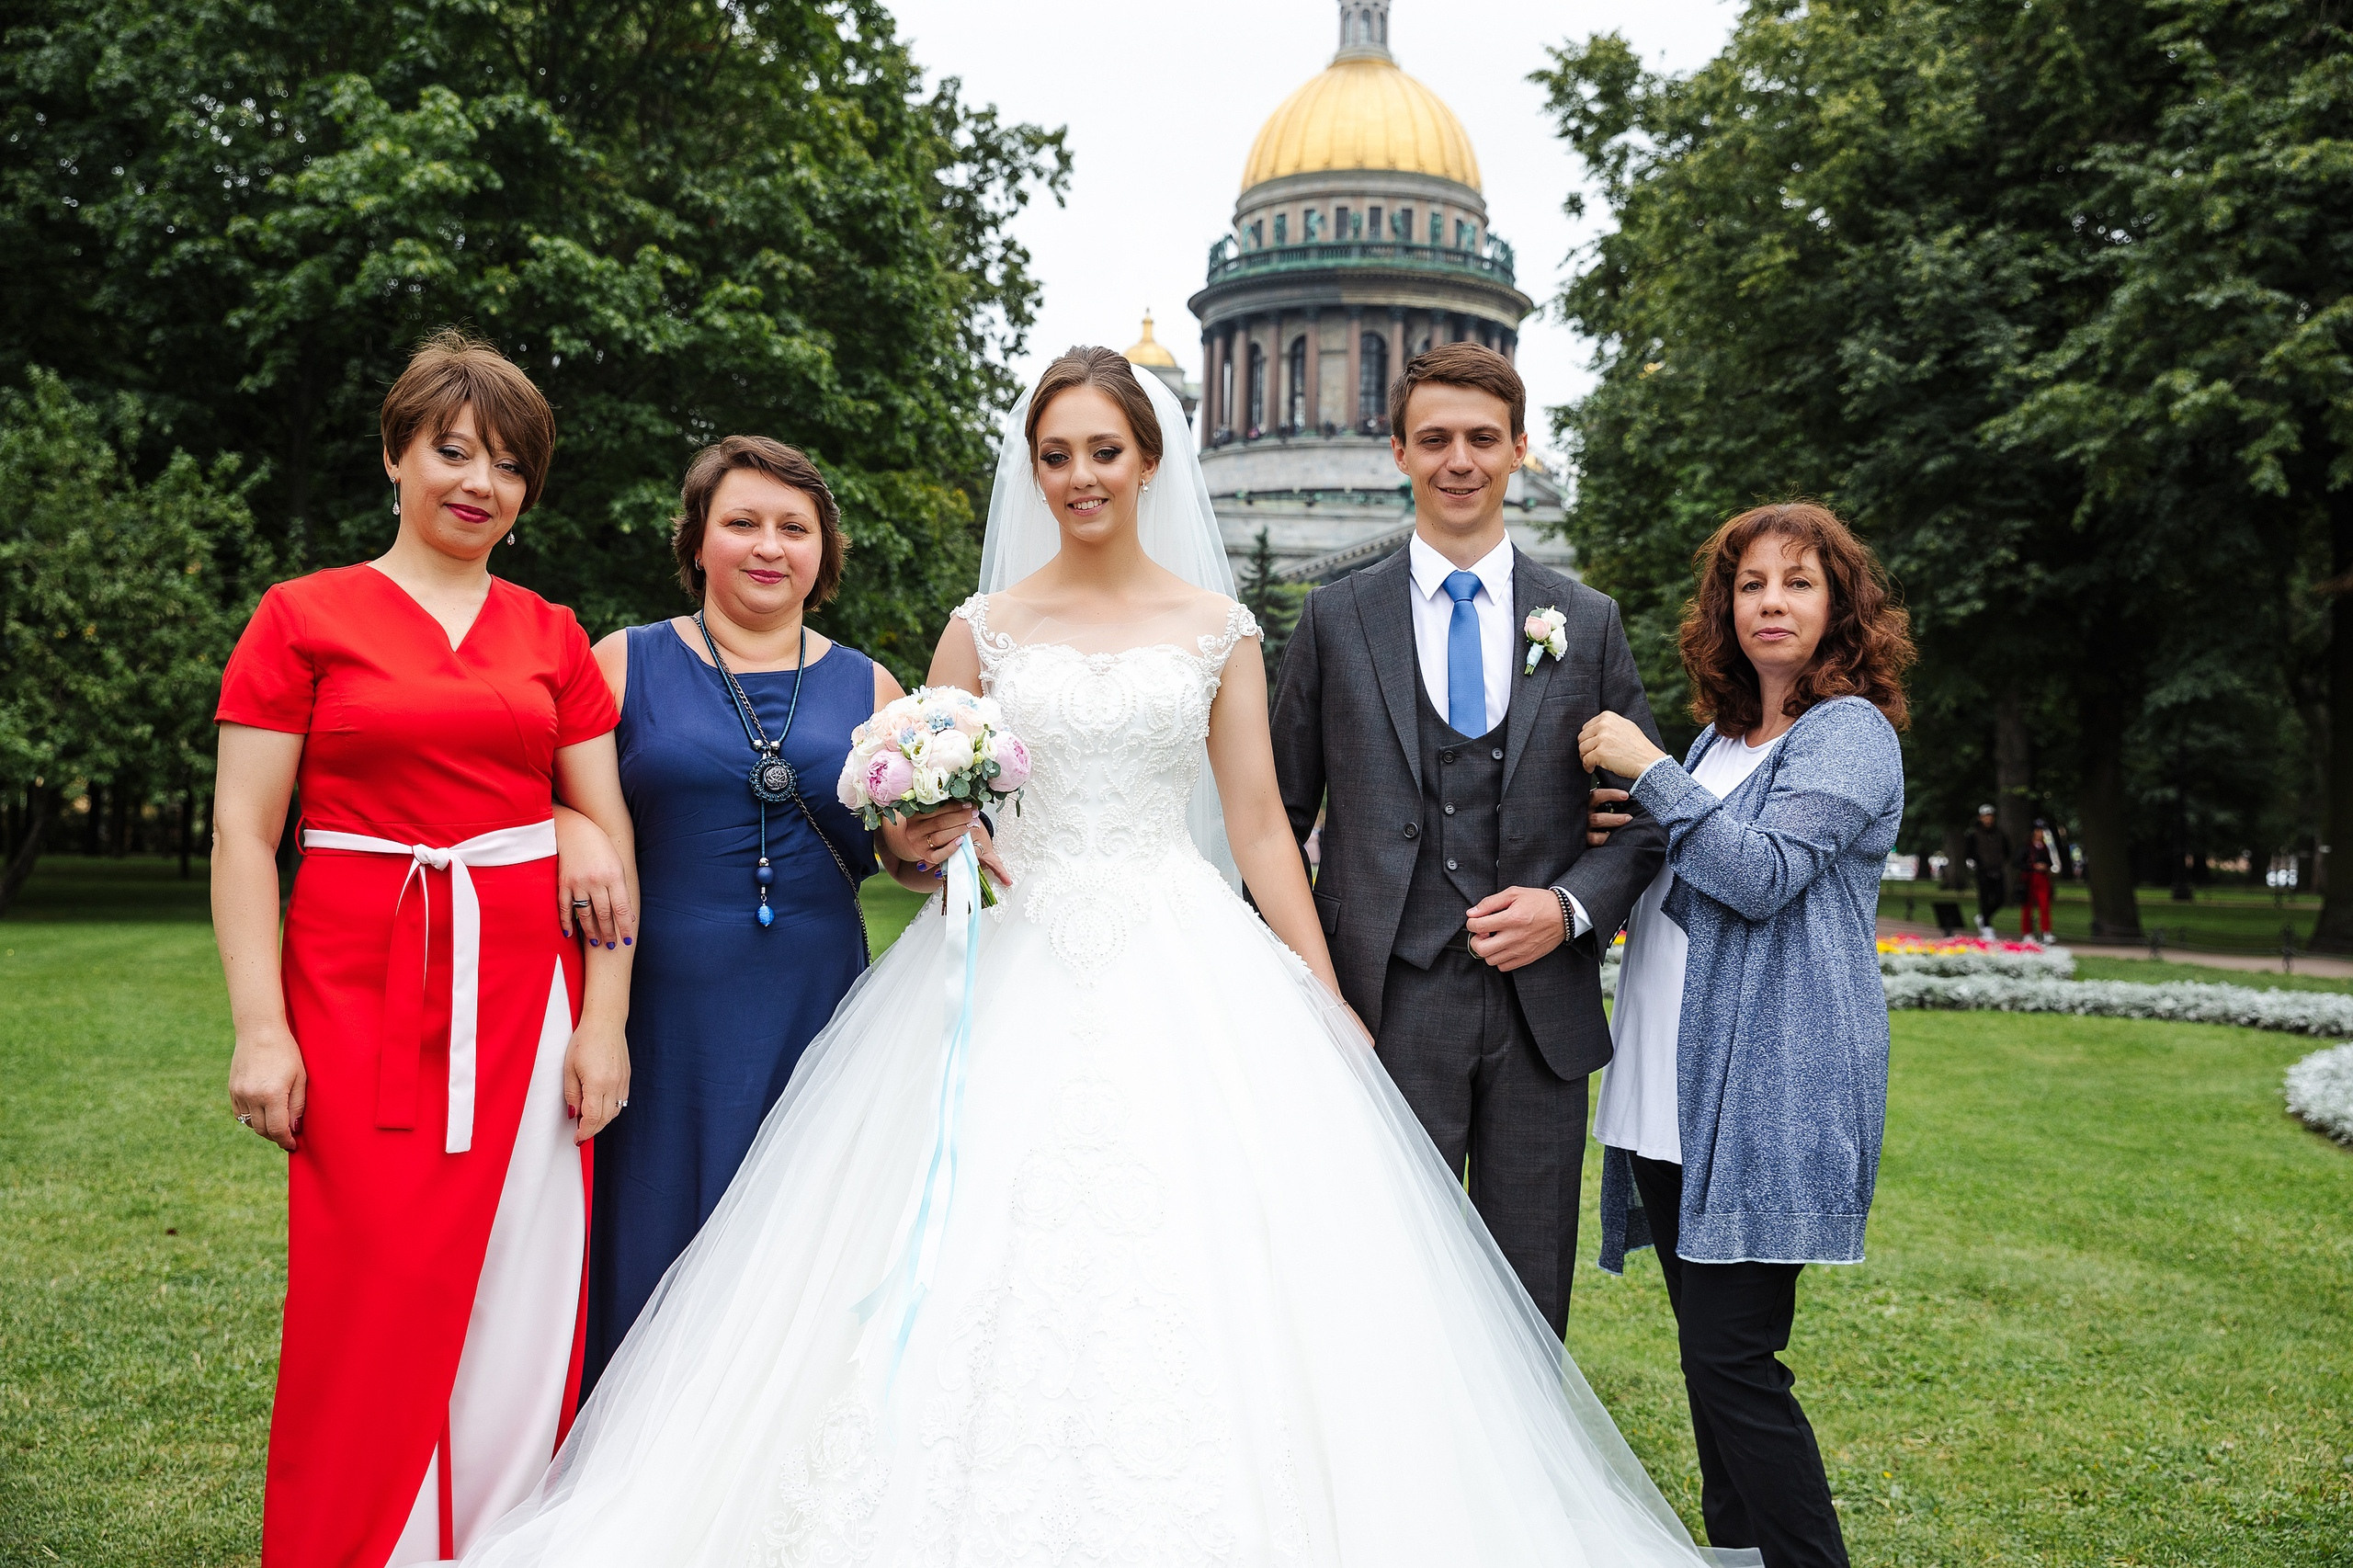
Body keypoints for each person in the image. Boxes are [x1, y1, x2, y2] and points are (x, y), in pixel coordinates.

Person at [455, 350, 1745, 1565]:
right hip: (1007, 957)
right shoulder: (982, 626)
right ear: (1035, 468)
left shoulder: (1217, 627)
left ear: (1146, 464)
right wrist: (931, 826)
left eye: (1105, 450)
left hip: (1178, 951)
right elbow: (907, 825)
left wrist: (1322, 989)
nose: (1080, 475)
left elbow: (1259, 824)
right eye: (1057, 453)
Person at [211, 330, 639, 1566]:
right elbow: (246, 834)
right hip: (359, 990)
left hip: (526, 1001)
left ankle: (500, 1538)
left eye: (508, 464)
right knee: (370, 1288)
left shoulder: (551, 632)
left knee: (522, 1283)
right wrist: (260, 1025)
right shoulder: (302, 616)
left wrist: (602, 1021)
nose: (478, 482)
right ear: (396, 452)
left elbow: (606, 842)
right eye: (452, 450)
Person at [554, 436, 1006, 1395]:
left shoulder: (873, 687)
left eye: (793, 527)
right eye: (743, 522)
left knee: (802, 1239)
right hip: (658, 1004)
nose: (769, 545)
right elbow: (538, 802)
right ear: (698, 540)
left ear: (823, 549)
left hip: (814, 1002)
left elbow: (897, 859)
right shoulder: (621, 663)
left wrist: (935, 838)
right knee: (659, 1227)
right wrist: (569, 823)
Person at [1267, 342, 1666, 1337]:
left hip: (1541, 1014)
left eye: (1483, 438)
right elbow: (1272, 815)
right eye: (1435, 438)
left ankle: (1519, 1488)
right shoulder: (1332, 617)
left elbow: (1647, 815)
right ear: (1396, 450)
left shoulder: (1587, 620)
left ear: (1520, 449)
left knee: (1530, 1288)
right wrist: (1308, 993)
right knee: (1377, 1273)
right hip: (1380, 1001)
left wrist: (1566, 906)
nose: (1460, 460)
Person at [1578, 501, 1912, 1568]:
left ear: (1839, 605)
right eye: (1751, 582)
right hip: (1672, 1087)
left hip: (1767, 1088)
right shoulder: (1720, 737)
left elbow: (1762, 877)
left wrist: (1649, 772)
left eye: (1798, 582)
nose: (1771, 600)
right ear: (1726, 605)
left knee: (1735, 1361)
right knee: (1706, 1360)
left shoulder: (1847, 732)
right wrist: (1633, 812)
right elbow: (1690, 855)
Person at [1964, 804, 2009, 939]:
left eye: (1990, 816)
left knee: (2000, 898)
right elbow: (1969, 852)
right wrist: (1977, 863)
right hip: (1983, 871)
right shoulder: (1974, 834)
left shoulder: (1999, 834)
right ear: (1981, 818)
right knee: (1984, 898)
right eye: (1985, 817)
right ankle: (1987, 926)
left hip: (1997, 869)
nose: (1988, 820)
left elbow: (2007, 850)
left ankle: (1984, 917)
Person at [2018, 818, 2059, 942]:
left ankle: (2046, 931)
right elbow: (2018, 862)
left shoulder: (2047, 848)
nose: (2040, 833)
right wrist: (2032, 867)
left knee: (2045, 906)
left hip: (2043, 879)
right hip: (2029, 879)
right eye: (2037, 831)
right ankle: (2027, 932)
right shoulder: (2026, 847)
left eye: (2042, 831)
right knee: (2027, 907)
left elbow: (2053, 862)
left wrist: (2046, 867)